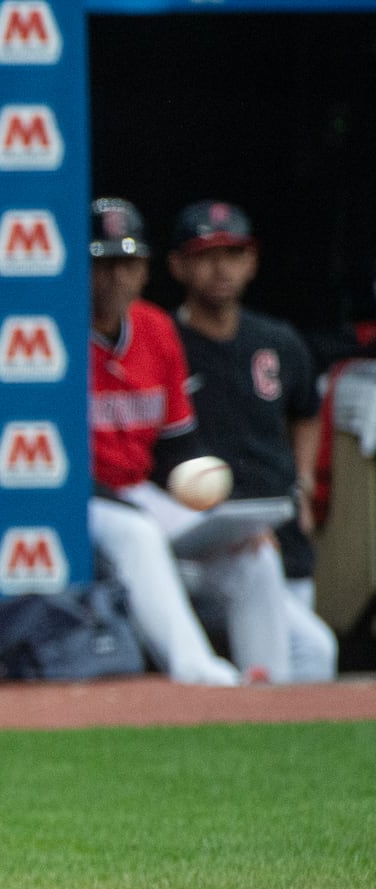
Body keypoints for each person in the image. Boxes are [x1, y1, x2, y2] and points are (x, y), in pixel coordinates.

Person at [85, 197, 332, 685]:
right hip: (86, 500)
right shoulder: (51, 335)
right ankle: (195, 670)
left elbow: (178, 446)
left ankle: (266, 693)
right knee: (140, 533)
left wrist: (217, 518)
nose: (116, 277)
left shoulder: (154, 330)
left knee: (256, 553)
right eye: (103, 263)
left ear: (145, 270)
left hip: (141, 494)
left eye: (128, 263)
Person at [167, 201, 326, 609]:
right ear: (178, 265)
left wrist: (304, 481)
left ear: (252, 262)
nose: (221, 269)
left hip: (277, 524)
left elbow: (308, 410)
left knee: (309, 659)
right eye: (206, 256)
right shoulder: (165, 341)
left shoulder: (279, 340)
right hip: (199, 534)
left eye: (233, 255)